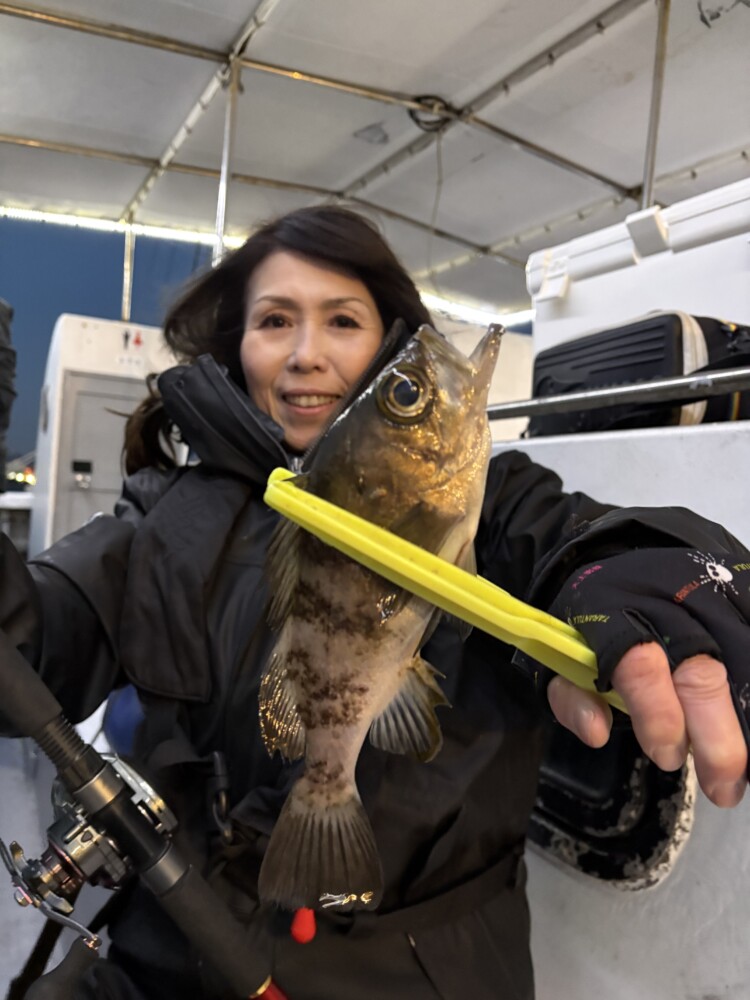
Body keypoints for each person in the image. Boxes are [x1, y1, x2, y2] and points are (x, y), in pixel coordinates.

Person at [0, 205, 747, 1000]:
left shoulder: (477, 497)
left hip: (414, 970)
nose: (305, 354)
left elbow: (567, 539)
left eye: (343, 321)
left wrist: (628, 576)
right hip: (174, 936)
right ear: (237, 344)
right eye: (275, 320)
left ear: (386, 336)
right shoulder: (159, 517)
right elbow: (31, 646)